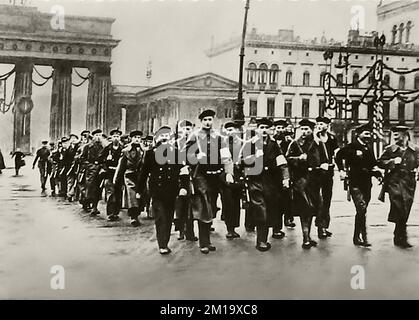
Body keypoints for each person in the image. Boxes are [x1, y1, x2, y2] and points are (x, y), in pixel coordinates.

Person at [183, 109, 234, 254]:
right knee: (204, 206)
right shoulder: (194, 136)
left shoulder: (219, 137)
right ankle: (203, 242)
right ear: (201, 121)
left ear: (213, 121)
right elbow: (186, 155)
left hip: (215, 176)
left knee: (211, 207)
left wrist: (229, 173)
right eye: (205, 120)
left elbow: (226, 156)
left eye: (210, 119)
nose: (208, 122)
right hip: (200, 176)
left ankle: (207, 240)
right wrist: (196, 157)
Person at [240, 117, 289, 251]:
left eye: (267, 128)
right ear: (257, 129)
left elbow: (282, 163)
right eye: (262, 128)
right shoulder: (250, 143)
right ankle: (261, 241)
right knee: (261, 210)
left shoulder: (274, 145)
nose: (264, 131)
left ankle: (264, 238)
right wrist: (256, 157)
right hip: (255, 181)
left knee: (269, 209)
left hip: (271, 182)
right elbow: (241, 161)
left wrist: (286, 178)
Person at [137, 126, 185, 254]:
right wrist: (139, 190)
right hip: (156, 190)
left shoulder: (177, 152)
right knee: (160, 217)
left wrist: (184, 187)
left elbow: (183, 171)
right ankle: (162, 244)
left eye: (167, 135)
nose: (164, 138)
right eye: (161, 135)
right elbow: (144, 172)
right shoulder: (151, 153)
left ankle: (166, 241)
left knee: (168, 217)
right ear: (157, 137)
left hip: (171, 189)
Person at [335, 123, 382, 247]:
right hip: (355, 183)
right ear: (359, 134)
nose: (368, 136)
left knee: (362, 210)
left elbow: (373, 163)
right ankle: (364, 237)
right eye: (366, 133)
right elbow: (338, 156)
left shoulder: (368, 148)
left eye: (369, 133)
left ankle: (357, 237)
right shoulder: (351, 147)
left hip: (367, 183)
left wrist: (378, 174)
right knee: (361, 208)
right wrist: (341, 170)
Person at [286, 119, 328, 249]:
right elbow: (286, 159)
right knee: (306, 209)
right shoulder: (295, 143)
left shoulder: (318, 143)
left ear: (312, 129)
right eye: (302, 129)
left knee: (318, 207)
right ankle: (305, 238)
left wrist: (324, 166)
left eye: (306, 129)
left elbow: (325, 159)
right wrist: (298, 159)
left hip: (315, 181)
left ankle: (311, 234)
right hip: (301, 181)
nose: (304, 132)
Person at [378, 125, 419, 248]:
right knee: (399, 205)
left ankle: (398, 232)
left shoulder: (415, 149)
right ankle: (401, 236)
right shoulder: (390, 149)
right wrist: (391, 162)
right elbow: (380, 162)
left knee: (406, 207)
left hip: (409, 182)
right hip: (394, 181)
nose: (395, 137)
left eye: (397, 134)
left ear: (405, 135)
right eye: (394, 135)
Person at [315, 116, 339, 239]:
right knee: (318, 200)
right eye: (318, 123)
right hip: (315, 173)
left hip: (328, 173)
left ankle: (323, 226)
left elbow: (336, 154)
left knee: (327, 199)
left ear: (327, 125)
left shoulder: (332, 138)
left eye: (322, 124)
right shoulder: (314, 139)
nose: (319, 126)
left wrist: (340, 168)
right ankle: (318, 226)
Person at [114, 130, 144, 227]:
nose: (137, 139)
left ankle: (137, 213)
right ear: (131, 138)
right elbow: (121, 166)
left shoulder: (145, 150)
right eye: (135, 137)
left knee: (141, 196)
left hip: (141, 176)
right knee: (132, 196)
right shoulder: (126, 151)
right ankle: (133, 217)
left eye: (139, 138)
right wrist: (117, 178)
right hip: (129, 175)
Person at [173, 120, 197, 241]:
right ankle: (181, 230)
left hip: (192, 177)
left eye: (188, 129)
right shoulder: (175, 144)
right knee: (179, 205)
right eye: (182, 129)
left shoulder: (194, 144)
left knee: (190, 205)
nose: (185, 132)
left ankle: (190, 231)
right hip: (178, 178)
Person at [220, 121, 243, 239]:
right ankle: (229, 228)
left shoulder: (242, 144)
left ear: (237, 131)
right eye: (228, 130)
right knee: (228, 202)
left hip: (238, 176)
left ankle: (234, 227)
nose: (230, 132)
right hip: (225, 177)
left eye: (232, 130)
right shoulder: (222, 143)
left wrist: (241, 162)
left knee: (236, 202)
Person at [273, 119, 296, 229]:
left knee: (288, 197)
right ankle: (277, 224)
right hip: (274, 173)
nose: (280, 130)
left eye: (282, 128)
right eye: (278, 128)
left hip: (287, 172)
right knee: (276, 199)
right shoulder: (272, 142)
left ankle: (288, 218)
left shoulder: (289, 143)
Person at [98, 128, 123, 221]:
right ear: (111, 138)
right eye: (114, 136)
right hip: (109, 174)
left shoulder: (123, 149)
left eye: (118, 136)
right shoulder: (107, 149)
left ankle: (116, 212)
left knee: (118, 193)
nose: (116, 138)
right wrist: (105, 166)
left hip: (119, 174)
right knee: (110, 193)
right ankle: (110, 213)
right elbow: (100, 159)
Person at [81, 129, 105, 216]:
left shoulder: (104, 147)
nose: (98, 137)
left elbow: (105, 159)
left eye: (100, 135)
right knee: (89, 188)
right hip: (90, 171)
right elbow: (82, 159)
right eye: (96, 135)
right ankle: (85, 202)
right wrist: (90, 166)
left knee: (98, 189)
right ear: (93, 137)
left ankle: (95, 207)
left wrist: (102, 166)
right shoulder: (87, 147)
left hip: (100, 171)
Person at [65, 134, 80, 202]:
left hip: (77, 167)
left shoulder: (79, 147)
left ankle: (76, 195)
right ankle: (70, 195)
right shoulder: (68, 148)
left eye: (75, 138)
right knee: (70, 182)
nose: (73, 140)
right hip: (69, 167)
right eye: (72, 138)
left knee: (78, 181)